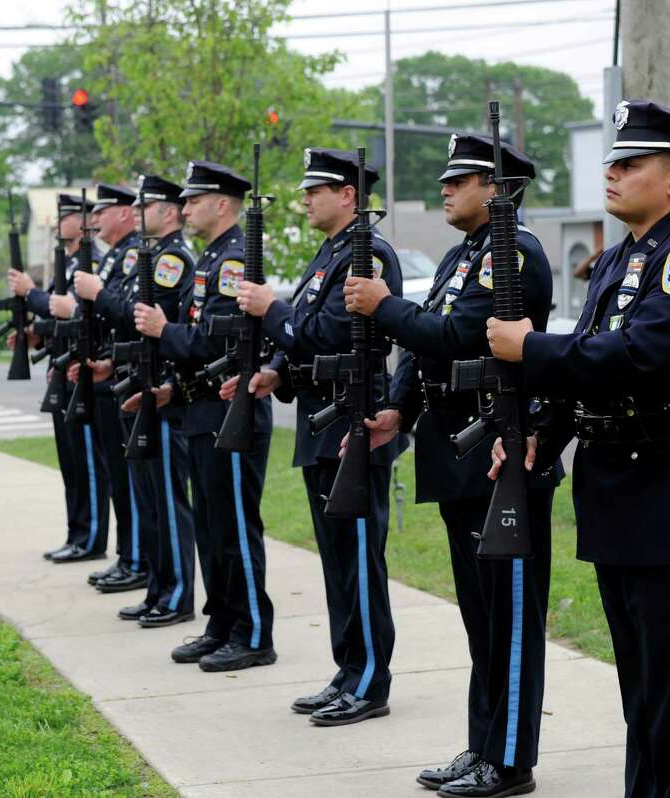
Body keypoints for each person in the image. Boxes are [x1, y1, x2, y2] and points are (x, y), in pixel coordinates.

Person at [485, 100, 670, 798]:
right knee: (643, 692)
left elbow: (641, 357)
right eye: (612, 161)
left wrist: (529, 347)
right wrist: (542, 433)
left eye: (631, 164)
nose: (612, 173)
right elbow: (590, 376)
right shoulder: (621, 260)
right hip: (616, 497)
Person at [343, 134, 559, 796]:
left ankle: (511, 760)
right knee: (481, 618)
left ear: (496, 190)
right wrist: (398, 412)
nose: (444, 188)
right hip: (457, 448)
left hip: (500, 450)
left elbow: (457, 335)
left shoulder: (513, 254)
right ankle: (483, 744)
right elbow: (423, 352)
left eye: (458, 179)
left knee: (509, 618)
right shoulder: (461, 256)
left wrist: (384, 306)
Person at [227, 148, 405, 726]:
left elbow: (330, 331)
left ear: (349, 195)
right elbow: (307, 337)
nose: (305, 199)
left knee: (358, 557)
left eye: (317, 189)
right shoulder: (328, 254)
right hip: (320, 421)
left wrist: (271, 308)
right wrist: (277, 369)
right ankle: (348, 670)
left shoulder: (368, 254)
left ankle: (370, 679)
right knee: (336, 561)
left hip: (353, 422)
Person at [133, 160, 277, 670]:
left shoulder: (234, 259)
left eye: (194, 200)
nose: (185, 208)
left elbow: (218, 338)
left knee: (236, 527)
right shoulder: (211, 259)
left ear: (222, 204)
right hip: (201, 409)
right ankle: (222, 623)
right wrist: (174, 387)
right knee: (212, 530)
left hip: (229, 412)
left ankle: (254, 632)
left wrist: (160, 330)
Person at [75, 174, 198, 626]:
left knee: (167, 499)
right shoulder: (148, 256)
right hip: (135, 387)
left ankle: (178, 593)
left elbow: (142, 320)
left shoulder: (172, 260)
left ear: (167, 212)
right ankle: (157, 587)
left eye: (147, 207)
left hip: (161, 393)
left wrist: (98, 295)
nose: (137, 214)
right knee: (147, 499)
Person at [6, 194, 111, 563]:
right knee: (71, 463)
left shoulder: (91, 262)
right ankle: (76, 533)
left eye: (66, 215)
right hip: (62, 370)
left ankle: (92, 537)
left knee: (88, 464)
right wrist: (37, 333)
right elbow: (60, 317)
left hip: (82, 372)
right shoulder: (66, 264)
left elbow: (74, 311)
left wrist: (29, 293)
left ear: (84, 221)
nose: (57, 222)